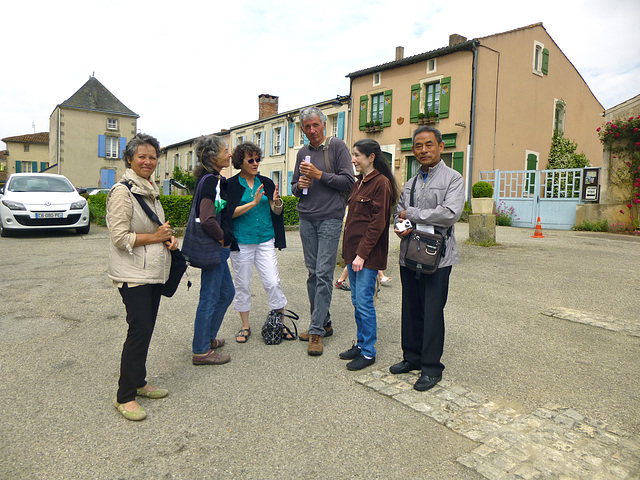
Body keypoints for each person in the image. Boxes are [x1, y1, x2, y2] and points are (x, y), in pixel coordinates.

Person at [107, 133, 179, 421]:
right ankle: (124, 396)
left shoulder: (149, 188)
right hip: (132, 275)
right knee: (138, 331)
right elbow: (119, 238)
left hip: (150, 273)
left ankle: (139, 381)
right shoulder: (122, 192)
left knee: (146, 329)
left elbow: (155, 229)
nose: (148, 161)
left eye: (152, 157)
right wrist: (156, 236)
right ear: (129, 159)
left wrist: (168, 240)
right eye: (142, 157)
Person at [389, 126, 465, 391]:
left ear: (441, 146)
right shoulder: (409, 183)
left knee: (432, 310)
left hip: (438, 256)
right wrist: (401, 226)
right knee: (411, 307)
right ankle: (412, 357)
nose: (423, 150)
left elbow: (449, 213)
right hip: (410, 251)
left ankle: (432, 367)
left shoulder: (453, 179)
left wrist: (413, 214)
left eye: (429, 145)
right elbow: (398, 214)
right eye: (418, 146)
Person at [291, 106, 355, 356]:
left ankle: (315, 331)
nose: (312, 130)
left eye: (315, 125)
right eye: (307, 127)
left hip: (330, 217)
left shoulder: (336, 146)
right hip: (306, 217)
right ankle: (324, 323)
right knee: (312, 273)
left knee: (324, 273)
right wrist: (300, 185)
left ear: (324, 125)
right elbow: (295, 188)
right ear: (303, 130)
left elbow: (348, 182)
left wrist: (320, 175)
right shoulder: (302, 153)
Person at [339, 139, 399, 370]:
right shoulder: (359, 183)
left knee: (364, 303)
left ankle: (369, 352)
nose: (353, 160)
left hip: (367, 256)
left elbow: (378, 223)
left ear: (371, 157)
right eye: (352, 155)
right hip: (353, 253)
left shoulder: (381, 184)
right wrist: (352, 254)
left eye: (357, 155)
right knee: (356, 301)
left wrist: (362, 255)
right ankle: (361, 344)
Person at [226, 141, 290, 343]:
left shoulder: (267, 182)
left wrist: (278, 202)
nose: (255, 163)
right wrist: (252, 203)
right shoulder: (231, 185)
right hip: (242, 241)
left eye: (257, 159)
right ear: (240, 162)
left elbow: (276, 211)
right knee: (243, 284)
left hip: (265, 238)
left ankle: (280, 323)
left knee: (273, 281)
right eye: (250, 160)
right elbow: (228, 214)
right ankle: (245, 326)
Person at [190, 135, 234, 366]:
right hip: (215, 248)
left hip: (218, 248)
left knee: (226, 293)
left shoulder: (213, 178)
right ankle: (200, 350)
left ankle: (207, 338)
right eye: (225, 150)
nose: (229, 153)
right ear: (211, 156)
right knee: (209, 297)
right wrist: (223, 239)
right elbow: (206, 219)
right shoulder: (209, 181)